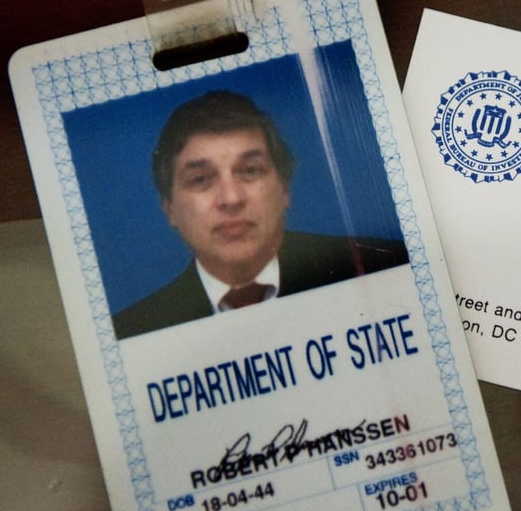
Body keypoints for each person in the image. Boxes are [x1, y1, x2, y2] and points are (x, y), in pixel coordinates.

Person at [112, 90, 408, 339]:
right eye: (201, 179)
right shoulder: (133, 333)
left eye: (250, 171)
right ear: (169, 208)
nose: (231, 199)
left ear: (284, 188)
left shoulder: (383, 268)